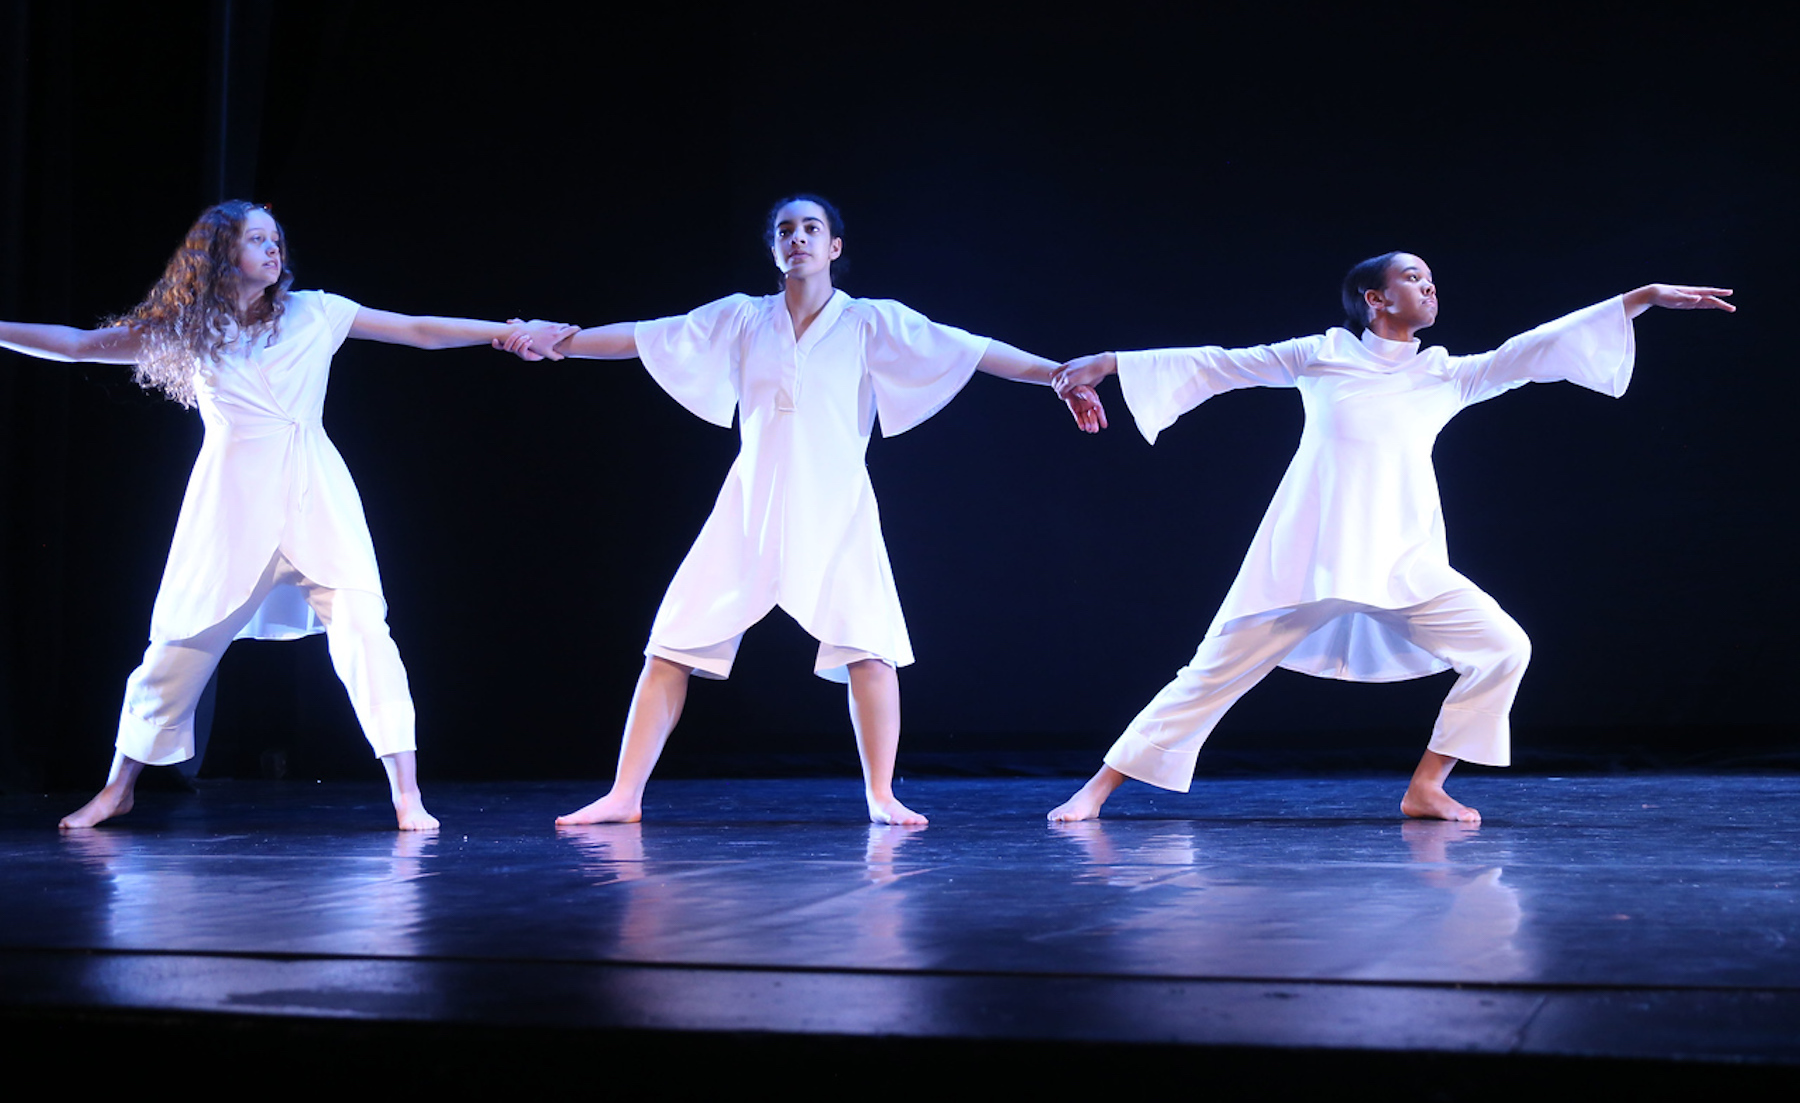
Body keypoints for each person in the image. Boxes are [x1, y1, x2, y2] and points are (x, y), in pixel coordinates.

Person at [1045, 252, 1733, 824]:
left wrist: (1638, 299)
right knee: (1210, 672)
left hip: (1403, 560)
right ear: (1374, 298)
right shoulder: (1321, 355)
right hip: (1312, 556)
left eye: (1431, 279)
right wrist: (1109, 362)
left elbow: (1528, 351)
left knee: (1503, 648)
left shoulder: (1446, 374)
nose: (1428, 286)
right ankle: (1097, 790)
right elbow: (1222, 363)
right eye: (1412, 277)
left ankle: (1427, 785)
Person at [500, 194, 1105, 826]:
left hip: (836, 506)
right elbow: (649, 337)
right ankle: (624, 797)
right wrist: (562, 341)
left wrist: (1058, 375)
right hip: (749, 506)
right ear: (773, 249)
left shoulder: (870, 322)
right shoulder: (742, 318)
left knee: (869, 648)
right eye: (785, 230)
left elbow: (970, 349)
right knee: (670, 646)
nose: (798, 238)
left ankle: (881, 795)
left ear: (833, 248)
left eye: (811, 229)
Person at [0, 200, 572, 830]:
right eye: (255, 240)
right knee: (178, 646)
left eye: (275, 240)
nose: (273, 251)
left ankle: (407, 793)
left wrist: (505, 329)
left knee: (365, 632)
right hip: (229, 503)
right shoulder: (191, 331)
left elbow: (416, 329)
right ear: (221, 256)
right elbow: (81, 346)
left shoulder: (315, 313)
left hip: (314, 494)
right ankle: (118, 788)